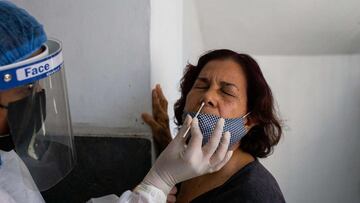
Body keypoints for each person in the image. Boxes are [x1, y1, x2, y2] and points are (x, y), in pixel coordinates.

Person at [0, 1, 234, 203]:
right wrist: (157, 184)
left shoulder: (6, 160)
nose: (208, 98)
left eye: (228, 91)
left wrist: (143, 193)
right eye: (26, 88)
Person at [142, 50, 286, 202]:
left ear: (249, 120)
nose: (207, 96)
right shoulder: (180, 165)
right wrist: (167, 143)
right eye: (201, 86)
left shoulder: (255, 195)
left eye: (227, 92)